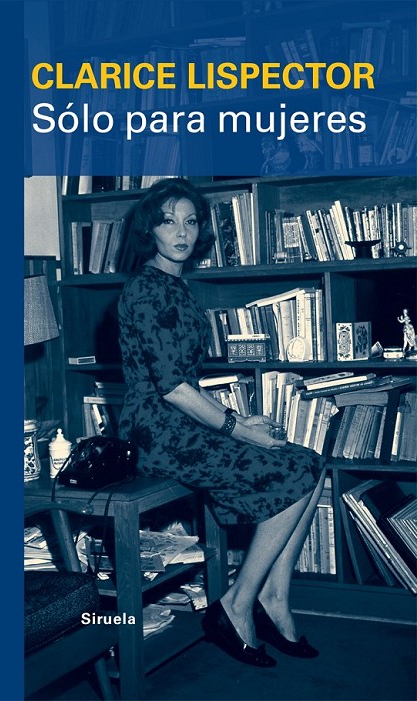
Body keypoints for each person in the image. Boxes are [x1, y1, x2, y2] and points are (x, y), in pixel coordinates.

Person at [117, 177, 326, 668]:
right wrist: (240, 428)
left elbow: (184, 380)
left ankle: (274, 598)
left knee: (312, 463)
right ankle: (236, 604)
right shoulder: (146, 289)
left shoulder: (177, 286)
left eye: (190, 221)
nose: (181, 232)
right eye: (168, 221)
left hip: (179, 424)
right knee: (293, 469)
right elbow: (172, 388)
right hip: (154, 431)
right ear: (149, 230)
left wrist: (240, 417)